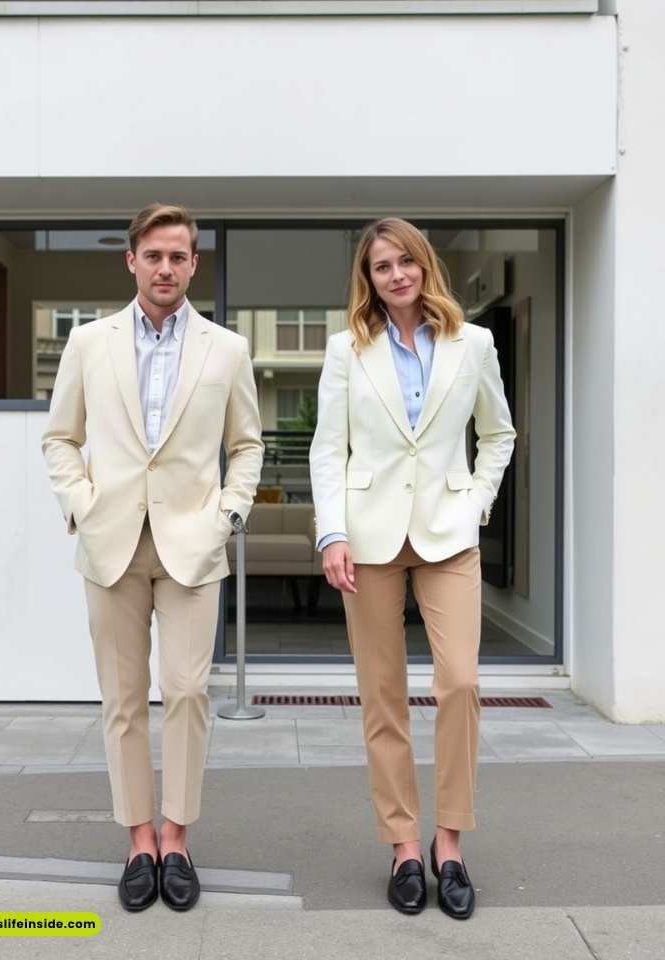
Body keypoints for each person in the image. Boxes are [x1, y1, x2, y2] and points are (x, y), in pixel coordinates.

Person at [42, 202, 263, 913]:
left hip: (192, 547)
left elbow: (248, 445)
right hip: (111, 543)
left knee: (190, 693)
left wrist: (226, 516)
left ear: (195, 264)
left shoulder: (225, 349)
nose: (166, 268)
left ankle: (177, 836)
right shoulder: (88, 343)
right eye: (154, 255)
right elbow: (60, 438)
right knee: (123, 700)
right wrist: (81, 503)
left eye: (179, 256)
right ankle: (139, 840)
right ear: (131, 260)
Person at [309, 218, 515, 920]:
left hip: (449, 534)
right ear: (366, 280)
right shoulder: (346, 350)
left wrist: (476, 501)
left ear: (425, 266)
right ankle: (402, 844)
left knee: (459, 682)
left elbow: (499, 432)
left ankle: (448, 844)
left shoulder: (475, 343)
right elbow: (326, 448)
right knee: (382, 695)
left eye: (405, 262)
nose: (395, 275)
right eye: (380, 267)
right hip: (366, 538)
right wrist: (331, 531)